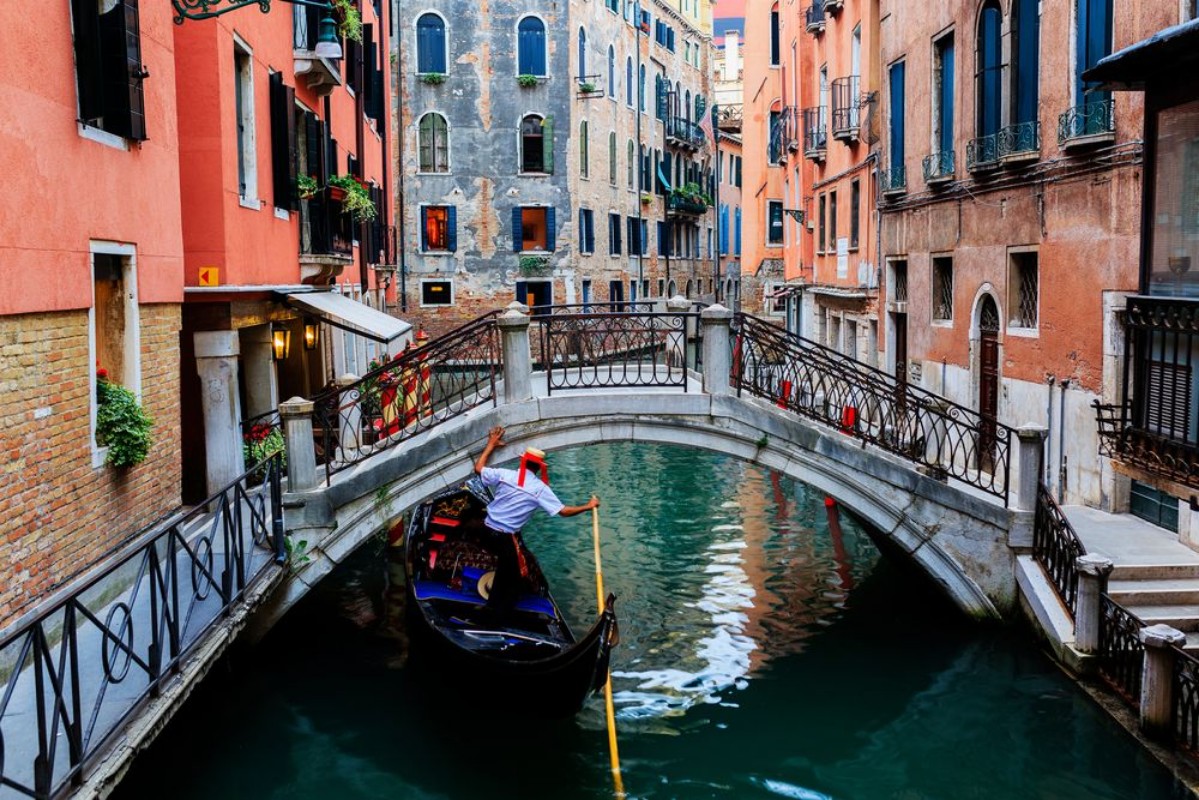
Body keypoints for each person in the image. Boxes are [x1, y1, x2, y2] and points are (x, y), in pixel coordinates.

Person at [473, 426, 599, 609]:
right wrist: (588, 506)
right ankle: (494, 612)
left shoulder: (505, 474)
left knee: (511, 570)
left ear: (522, 462)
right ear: (539, 468)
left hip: (486, 529)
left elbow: (478, 468)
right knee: (511, 576)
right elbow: (563, 512)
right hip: (503, 537)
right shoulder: (539, 489)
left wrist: (491, 444)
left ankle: (497, 605)